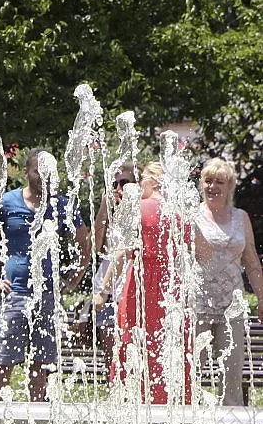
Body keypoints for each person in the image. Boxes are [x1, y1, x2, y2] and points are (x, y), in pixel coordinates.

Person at [0, 149, 91, 402]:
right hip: (14, 292)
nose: (44, 178)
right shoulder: (5, 203)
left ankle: (37, 415)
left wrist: (76, 273)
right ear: (27, 172)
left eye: (49, 173)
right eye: (38, 172)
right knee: (4, 361)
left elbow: (85, 244)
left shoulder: (62, 206)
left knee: (42, 363)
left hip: (48, 295)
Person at [102, 162, 191, 405]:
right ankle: (170, 405)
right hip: (171, 288)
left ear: (152, 181)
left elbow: (121, 252)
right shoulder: (180, 212)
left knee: (133, 343)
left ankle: (128, 402)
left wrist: (103, 290)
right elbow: (200, 252)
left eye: (142, 178)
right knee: (167, 347)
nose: (139, 184)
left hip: (140, 285)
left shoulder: (138, 208)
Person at [194, 158, 263, 406]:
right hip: (197, 306)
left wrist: (262, 299)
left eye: (219, 182)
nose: (212, 186)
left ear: (229, 186)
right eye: (207, 181)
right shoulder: (192, 216)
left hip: (231, 307)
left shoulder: (240, 217)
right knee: (190, 375)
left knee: (231, 375)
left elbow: (252, 262)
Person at [91, 168, 137, 359]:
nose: (119, 189)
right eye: (114, 184)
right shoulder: (109, 217)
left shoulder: (142, 214)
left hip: (131, 289)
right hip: (106, 291)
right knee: (112, 358)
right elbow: (94, 247)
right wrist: (103, 207)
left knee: (132, 353)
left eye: (124, 183)